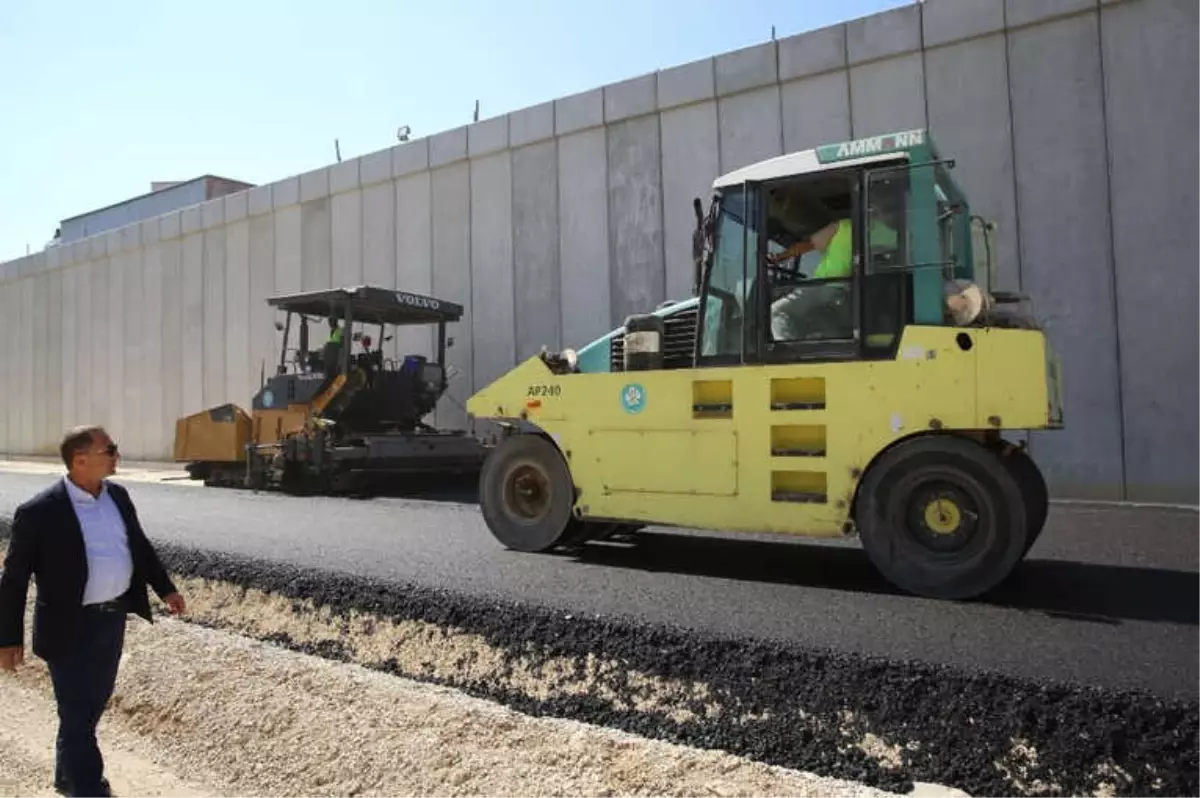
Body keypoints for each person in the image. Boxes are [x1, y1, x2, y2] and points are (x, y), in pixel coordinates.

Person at [0, 425, 186, 798]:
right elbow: (14, 579)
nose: (117, 456)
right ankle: (87, 788)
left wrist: (165, 588)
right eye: (110, 449)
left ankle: (67, 775)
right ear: (80, 460)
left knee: (89, 707)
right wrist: (7, 638)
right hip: (66, 626)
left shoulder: (117, 496)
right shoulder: (39, 512)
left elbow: (140, 546)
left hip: (110, 620)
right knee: (77, 710)